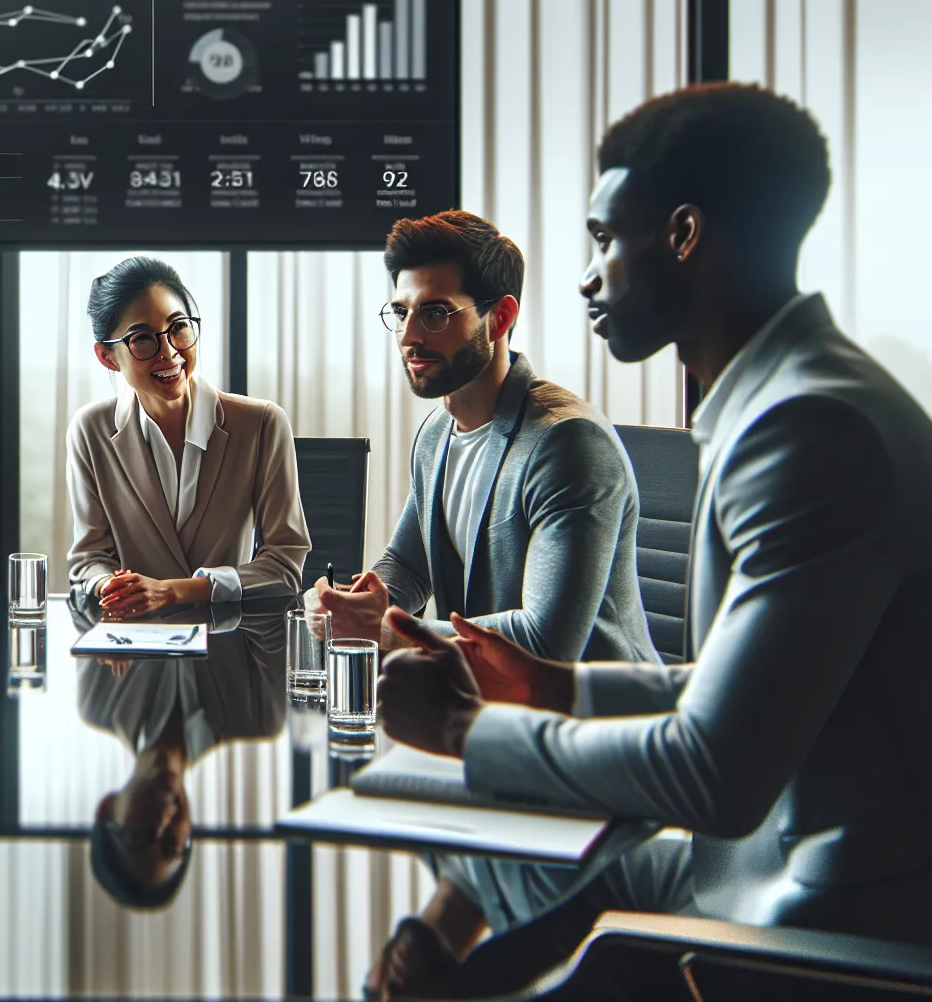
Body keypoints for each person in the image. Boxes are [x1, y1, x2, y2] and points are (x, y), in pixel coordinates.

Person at [376, 83, 932, 999]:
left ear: (685, 235)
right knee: (509, 890)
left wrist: (465, 728)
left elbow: (714, 769)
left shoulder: (811, 432)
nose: (587, 278)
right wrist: (554, 688)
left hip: (822, 922)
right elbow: (740, 686)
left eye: (605, 240)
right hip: (749, 862)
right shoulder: (788, 401)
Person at [300, 211, 659, 988]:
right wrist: (362, 597)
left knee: (458, 977)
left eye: (435, 312)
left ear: (499, 317)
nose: (409, 334)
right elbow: (408, 562)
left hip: (584, 752)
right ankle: (437, 947)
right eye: (401, 311)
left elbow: (546, 639)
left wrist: (390, 631)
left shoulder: (566, 443)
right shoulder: (437, 435)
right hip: (486, 738)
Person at [67, 256, 310, 617]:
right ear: (107, 356)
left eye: (178, 327)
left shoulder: (262, 424)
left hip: (229, 639)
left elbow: (284, 567)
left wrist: (172, 592)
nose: (169, 352)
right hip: (134, 639)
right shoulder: (90, 429)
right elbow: (89, 559)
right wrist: (111, 586)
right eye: (142, 339)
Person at [75, 602, 286, 909]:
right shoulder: (258, 716)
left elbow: (85, 599)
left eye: (140, 835)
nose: (162, 821)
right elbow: (284, 605)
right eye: (171, 844)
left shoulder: (98, 703)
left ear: (106, 809)